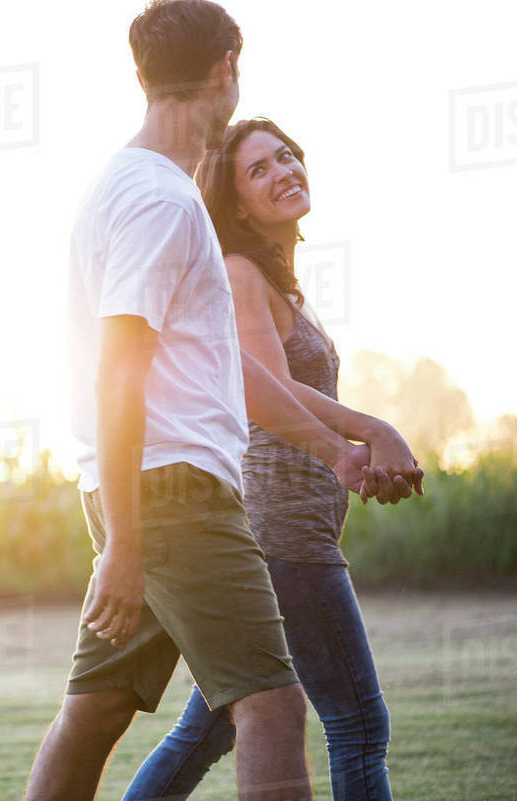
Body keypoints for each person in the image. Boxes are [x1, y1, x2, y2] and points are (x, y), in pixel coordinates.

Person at [24, 2, 418, 800]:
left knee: (96, 713)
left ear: (142, 76)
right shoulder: (160, 202)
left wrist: (333, 447)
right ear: (226, 69)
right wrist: (127, 547)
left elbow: (222, 372)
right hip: (172, 495)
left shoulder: (131, 188)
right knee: (273, 707)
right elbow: (117, 372)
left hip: (144, 493)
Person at [120, 118, 414, 801]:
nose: (283, 170)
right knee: (358, 721)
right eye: (259, 169)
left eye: (286, 155)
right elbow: (266, 387)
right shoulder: (240, 273)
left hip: (281, 530)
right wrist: (370, 431)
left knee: (213, 727)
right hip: (284, 531)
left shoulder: (275, 283)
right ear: (236, 203)